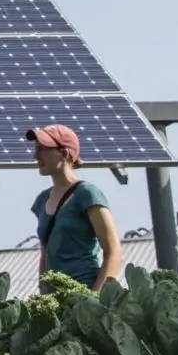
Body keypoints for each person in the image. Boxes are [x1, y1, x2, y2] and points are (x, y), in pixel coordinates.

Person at [28, 123, 124, 291]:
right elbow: (46, 253)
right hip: (55, 301)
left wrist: (95, 299)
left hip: (83, 293)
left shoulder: (87, 194)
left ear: (64, 154)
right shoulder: (42, 200)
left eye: (42, 148)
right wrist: (43, 293)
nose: (36, 155)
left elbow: (114, 253)